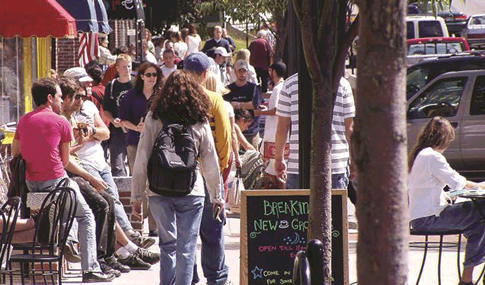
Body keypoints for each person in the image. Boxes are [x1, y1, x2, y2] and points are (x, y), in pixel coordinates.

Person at [11, 78, 115, 282]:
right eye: (59, 97)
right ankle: (90, 269)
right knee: (86, 216)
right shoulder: (61, 122)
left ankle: (66, 240)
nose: (60, 101)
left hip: (32, 184)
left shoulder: (24, 120)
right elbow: (65, 161)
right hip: (58, 183)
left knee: (66, 212)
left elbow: (16, 151)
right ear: (50, 98)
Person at [131, 70, 225, 285]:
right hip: (192, 190)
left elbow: (142, 157)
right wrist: (217, 195)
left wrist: (137, 196)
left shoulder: (154, 118)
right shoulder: (199, 120)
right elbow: (210, 160)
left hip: (158, 189)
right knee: (187, 247)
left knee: (167, 245)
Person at [69, 80, 157, 252]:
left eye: (82, 95)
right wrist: (81, 142)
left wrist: (92, 132)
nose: (81, 99)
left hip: (99, 161)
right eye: (77, 95)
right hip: (83, 163)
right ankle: (127, 242)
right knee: (106, 201)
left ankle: (127, 242)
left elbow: (106, 133)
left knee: (113, 197)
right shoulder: (66, 116)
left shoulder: (89, 107)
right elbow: (68, 149)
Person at [408, 116, 485, 285]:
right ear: (445, 139)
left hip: (421, 218)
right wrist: (482, 186)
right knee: (483, 208)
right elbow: (458, 182)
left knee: (479, 225)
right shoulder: (433, 157)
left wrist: (448, 196)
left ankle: (467, 279)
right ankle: (467, 279)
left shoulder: (419, 155)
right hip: (429, 219)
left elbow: (426, 190)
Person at [182, 53, 232, 285]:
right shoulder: (214, 99)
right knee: (212, 232)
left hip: (179, 176)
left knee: (186, 234)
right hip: (208, 175)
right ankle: (216, 278)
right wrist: (219, 173)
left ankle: (188, 277)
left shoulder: (172, 99)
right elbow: (224, 141)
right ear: (205, 75)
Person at [119, 62, 163, 237]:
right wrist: (136, 128)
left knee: (155, 183)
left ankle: (154, 227)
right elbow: (123, 119)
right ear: (142, 76)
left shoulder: (162, 96)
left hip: (157, 144)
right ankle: (139, 220)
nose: (152, 78)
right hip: (135, 142)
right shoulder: (131, 96)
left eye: (155, 75)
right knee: (139, 181)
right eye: (149, 74)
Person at [103, 54, 133, 177]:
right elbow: (106, 110)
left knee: (136, 167)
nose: (127, 69)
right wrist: (112, 120)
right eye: (124, 67)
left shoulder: (137, 84)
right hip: (117, 131)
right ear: (117, 68)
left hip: (135, 131)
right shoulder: (111, 86)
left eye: (129, 66)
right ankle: (121, 194)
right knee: (117, 166)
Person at [224, 59, 265, 149]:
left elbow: (255, 105)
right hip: (233, 131)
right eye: (239, 71)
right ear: (235, 72)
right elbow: (225, 107)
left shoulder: (253, 88)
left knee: (253, 158)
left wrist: (237, 105)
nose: (242, 74)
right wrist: (245, 104)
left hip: (251, 132)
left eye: (244, 71)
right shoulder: (228, 89)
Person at [261, 61, 287, 188]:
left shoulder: (278, 89)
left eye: (271, 71)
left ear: (275, 72)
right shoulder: (283, 87)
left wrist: (259, 112)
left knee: (274, 174)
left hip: (273, 136)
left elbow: (276, 110)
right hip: (276, 135)